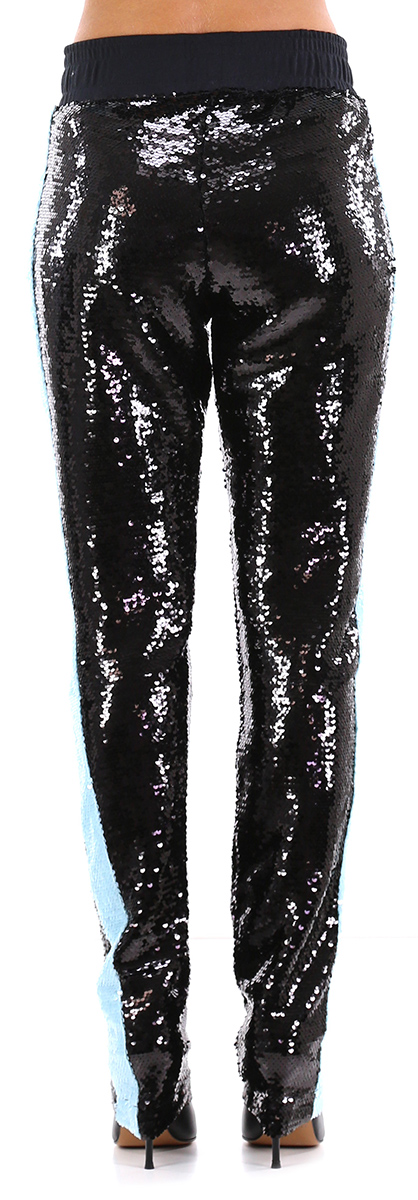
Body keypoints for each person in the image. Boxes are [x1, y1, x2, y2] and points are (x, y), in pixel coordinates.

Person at [32, 0, 395, 1172]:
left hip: (116, 165)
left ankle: (146, 1084)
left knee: (126, 633)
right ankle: (285, 1077)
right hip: (303, 168)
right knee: (304, 645)